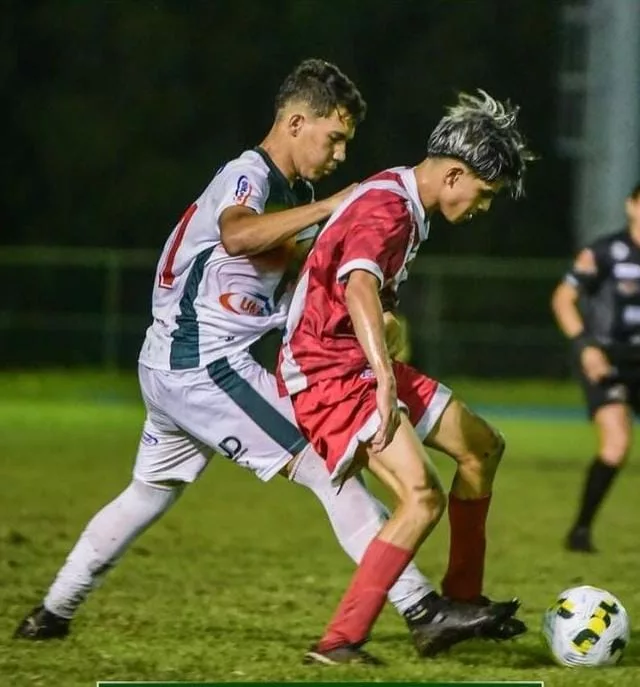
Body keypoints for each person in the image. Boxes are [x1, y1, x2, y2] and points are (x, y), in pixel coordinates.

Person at [13, 60, 511, 657]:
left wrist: (375, 307)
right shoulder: (251, 175)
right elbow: (238, 237)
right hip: (202, 364)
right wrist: (335, 206)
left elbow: (308, 272)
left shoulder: (294, 196)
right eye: (335, 137)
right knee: (334, 472)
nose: (341, 154)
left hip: (177, 364)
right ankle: (422, 610)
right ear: (296, 122)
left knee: (148, 492)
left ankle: (51, 612)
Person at [278, 89, 534, 665]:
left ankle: (460, 604)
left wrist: (388, 346)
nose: (482, 207)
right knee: (419, 496)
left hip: (358, 363)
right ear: (454, 174)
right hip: (328, 373)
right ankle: (339, 642)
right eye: (484, 194)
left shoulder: (402, 198)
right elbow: (358, 286)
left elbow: (370, 298)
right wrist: (385, 379)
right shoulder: (388, 209)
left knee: (481, 447)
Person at [551, 182, 640, 553]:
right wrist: (586, 348)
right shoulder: (605, 251)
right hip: (608, 359)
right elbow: (563, 298)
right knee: (617, 444)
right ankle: (581, 529)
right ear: (631, 205)